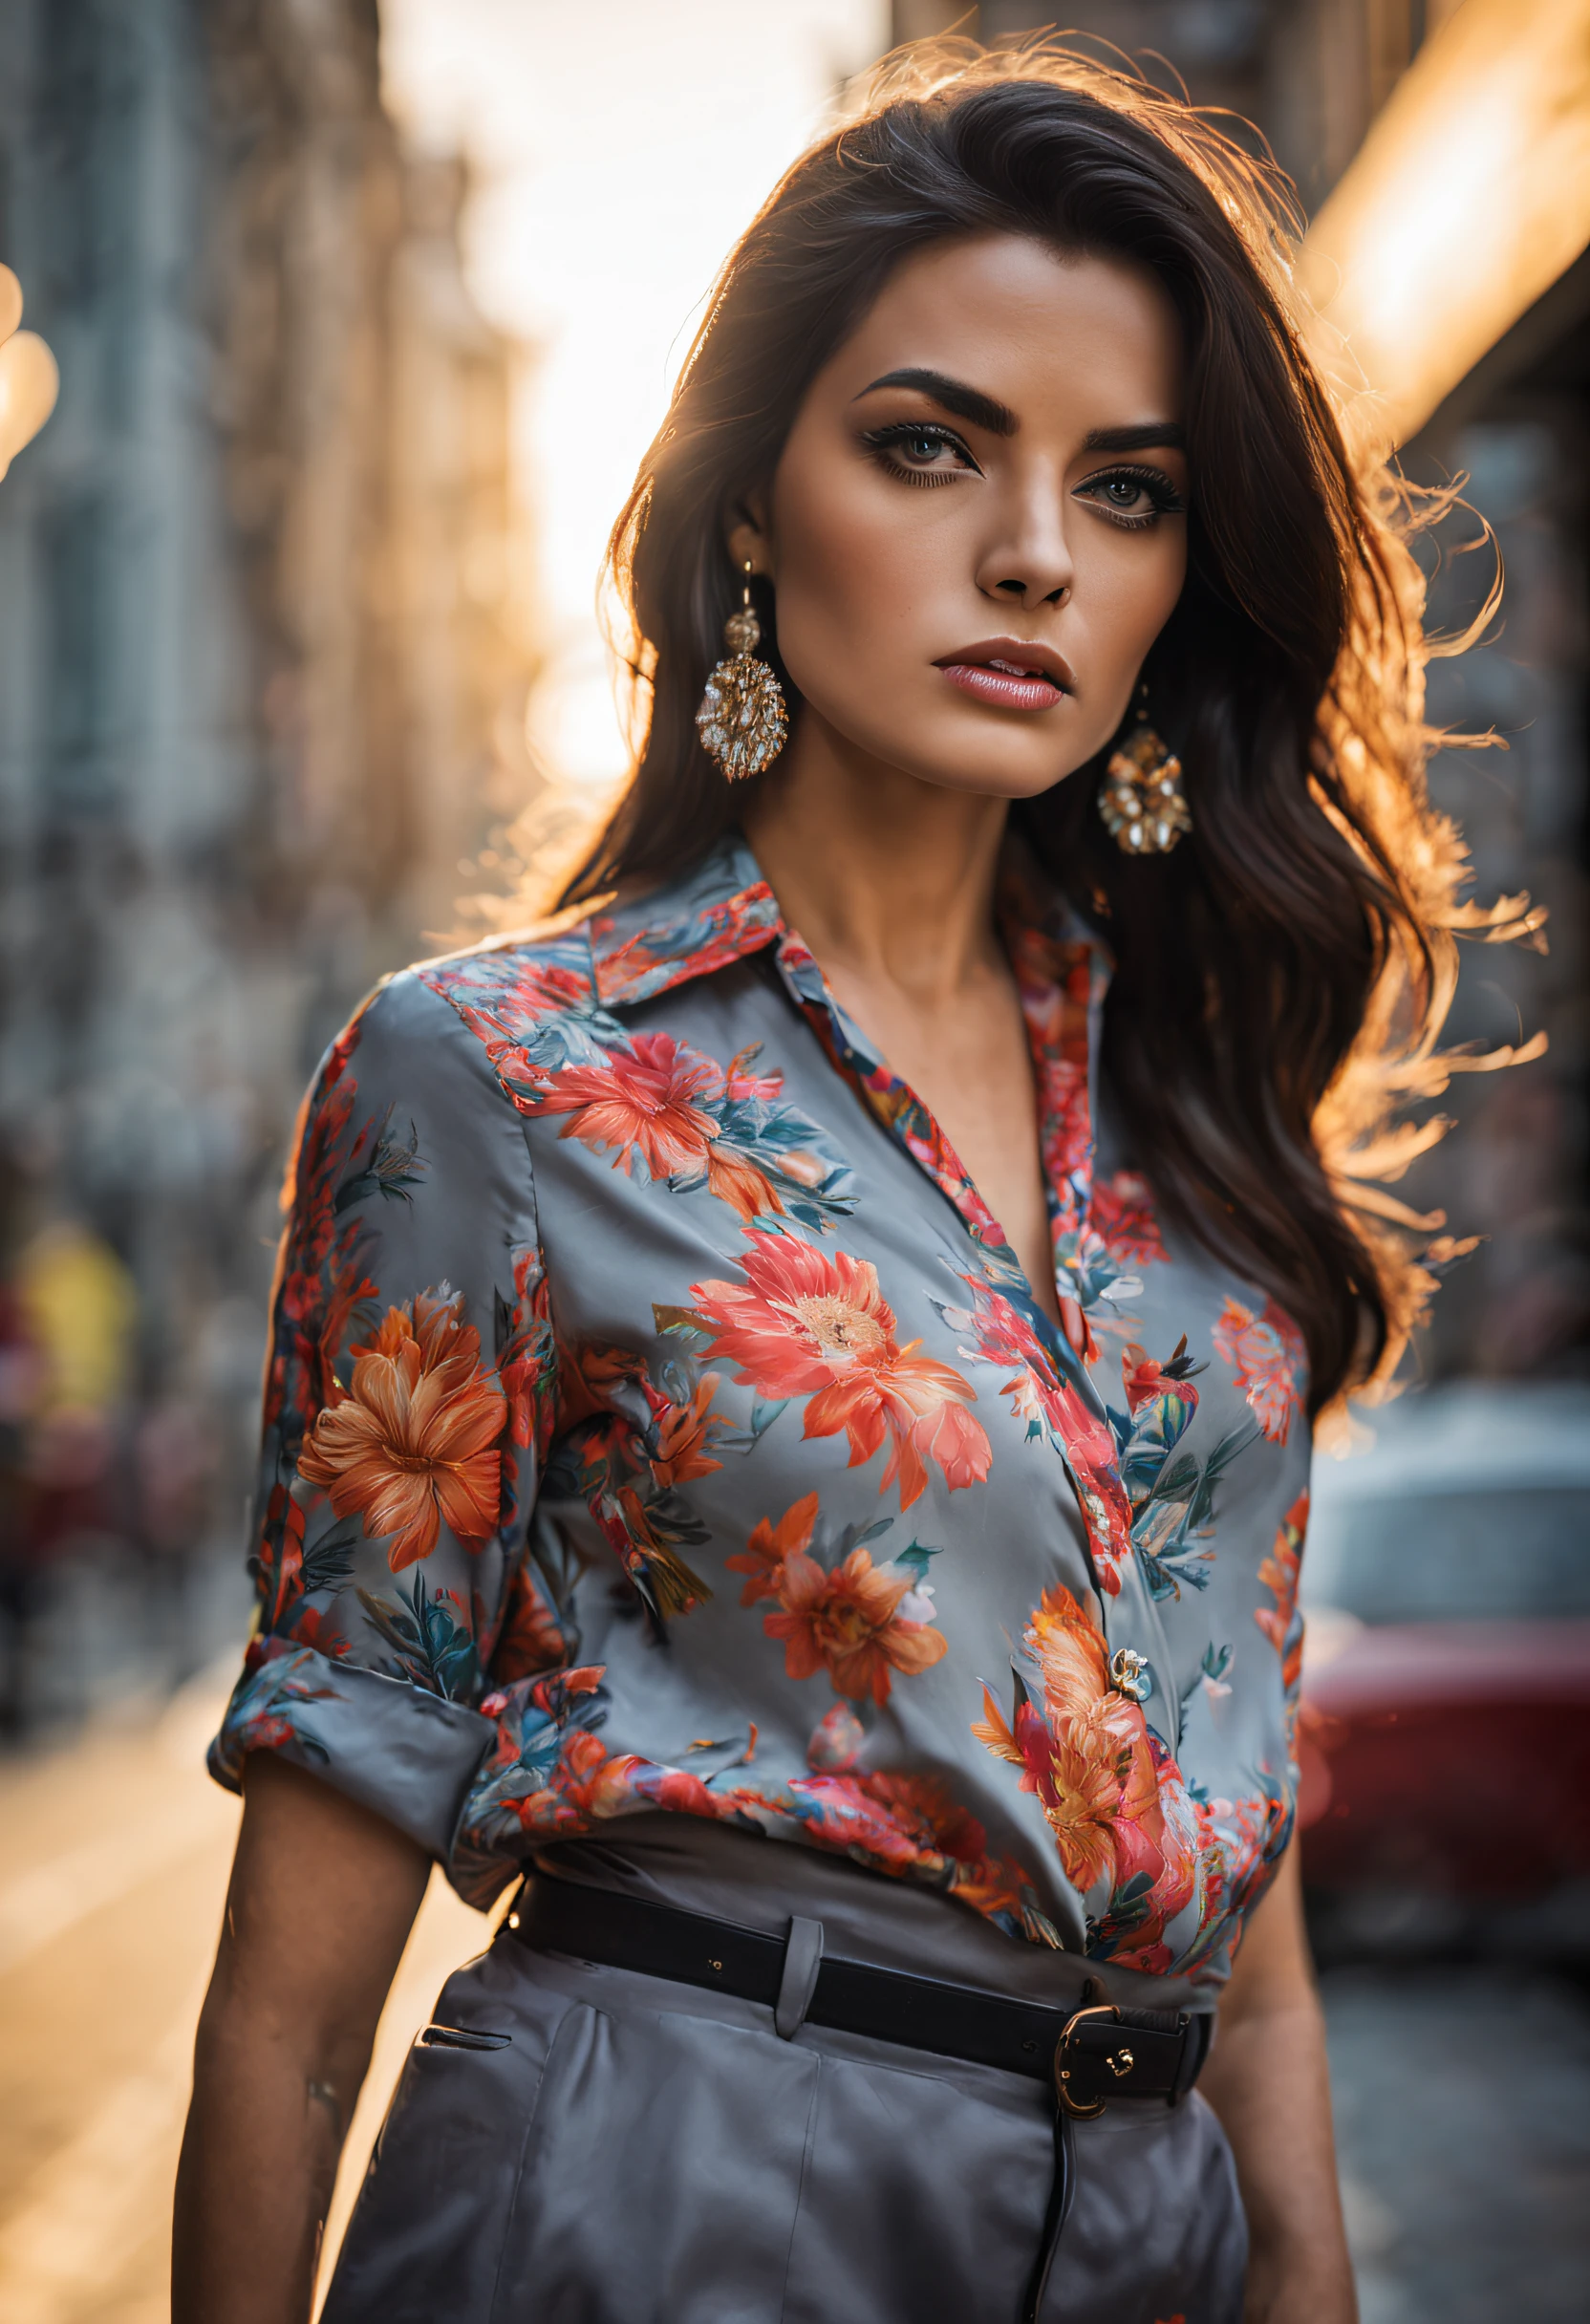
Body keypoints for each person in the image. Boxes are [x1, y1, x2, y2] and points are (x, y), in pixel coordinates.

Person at [173, 40, 1477, 2323]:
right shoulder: (495, 1079)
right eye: (928, 444)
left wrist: (1304, 2278)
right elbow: (297, 1985)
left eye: (1132, 489)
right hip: (671, 2189)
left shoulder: (1196, 1113)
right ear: (750, 502)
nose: (1035, 554)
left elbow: (1236, 1885)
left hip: (1148, 2217)